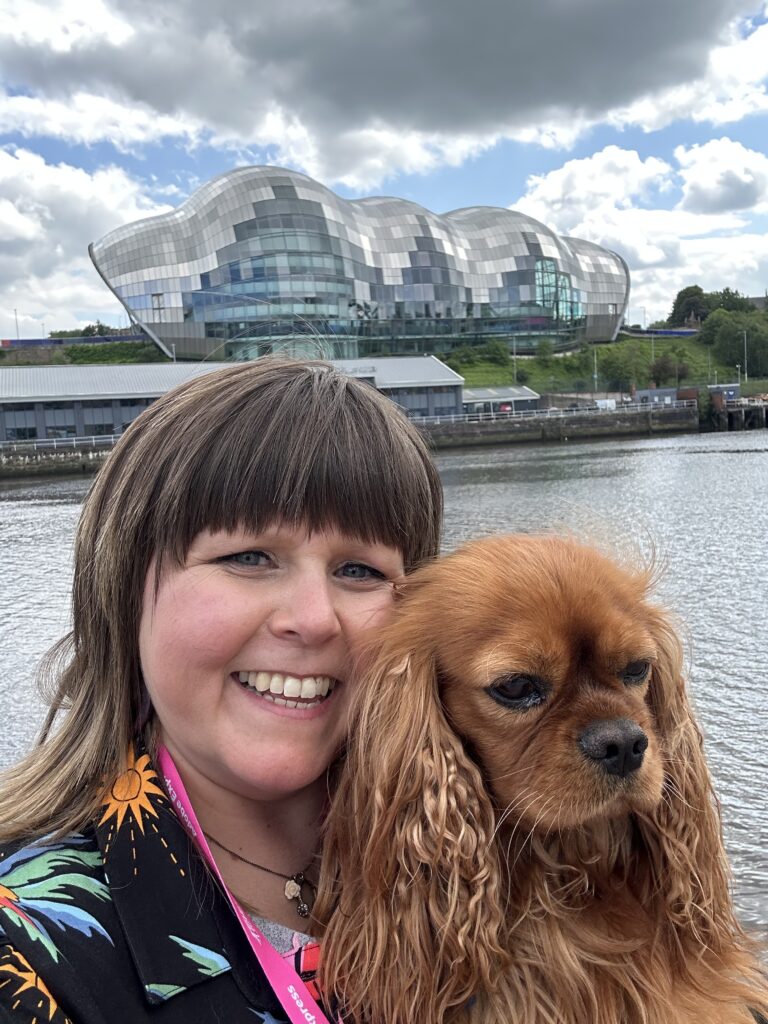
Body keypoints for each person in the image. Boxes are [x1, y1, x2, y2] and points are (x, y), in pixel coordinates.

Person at [0, 357, 443, 1023]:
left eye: (360, 569)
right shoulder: (32, 950)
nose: (314, 617)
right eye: (248, 558)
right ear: (122, 588)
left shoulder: (492, 852)